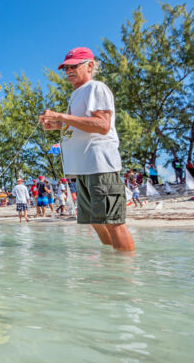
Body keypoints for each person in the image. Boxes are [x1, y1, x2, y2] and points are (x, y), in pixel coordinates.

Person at [39, 46, 135, 251]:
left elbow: (102, 125)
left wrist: (61, 117)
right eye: (65, 68)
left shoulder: (96, 88)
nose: (68, 71)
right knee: (95, 221)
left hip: (99, 164)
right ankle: (113, 266)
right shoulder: (76, 94)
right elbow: (80, 125)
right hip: (81, 168)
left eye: (74, 66)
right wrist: (57, 125)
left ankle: (126, 274)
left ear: (90, 65)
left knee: (113, 221)